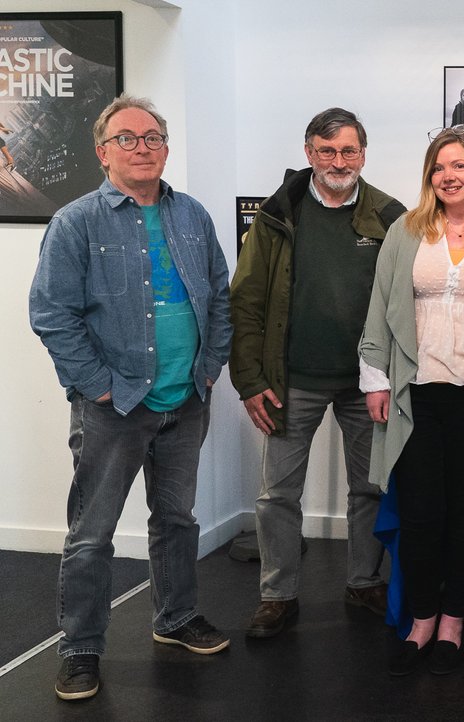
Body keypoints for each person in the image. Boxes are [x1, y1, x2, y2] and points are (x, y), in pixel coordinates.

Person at [29, 94, 233, 701]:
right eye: (127, 138)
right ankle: (81, 649)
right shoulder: (75, 222)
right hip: (112, 408)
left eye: (152, 138)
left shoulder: (192, 215)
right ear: (103, 151)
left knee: (176, 520)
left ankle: (175, 619)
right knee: (91, 535)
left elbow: (220, 296)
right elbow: (51, 315)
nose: (141, 148)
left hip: (185, 398)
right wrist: (96, 385)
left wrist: (211, 364)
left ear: (166, 149)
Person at [359, 127, 464, 676]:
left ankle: (456, 615)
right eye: (439, 168)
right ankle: (423, 614)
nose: (449, 176)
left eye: (460, 166)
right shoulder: (405, 233)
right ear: (429, 177)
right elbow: (380, 308)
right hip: (416, 396)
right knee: (419, 512)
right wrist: (375, 380)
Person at [230, 108, 405, 638]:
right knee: (277, 494)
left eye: (348, 151)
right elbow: (246, 299)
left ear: (363, 155)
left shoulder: (390, 215)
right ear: (308, 153)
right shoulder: (279, 211)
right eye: (326, 151)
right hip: (290, 381)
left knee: (369, 489)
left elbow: (405, 302)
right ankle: (277, 594)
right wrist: (249, 379)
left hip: (366, 383)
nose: (338, 161)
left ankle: (364, 582)